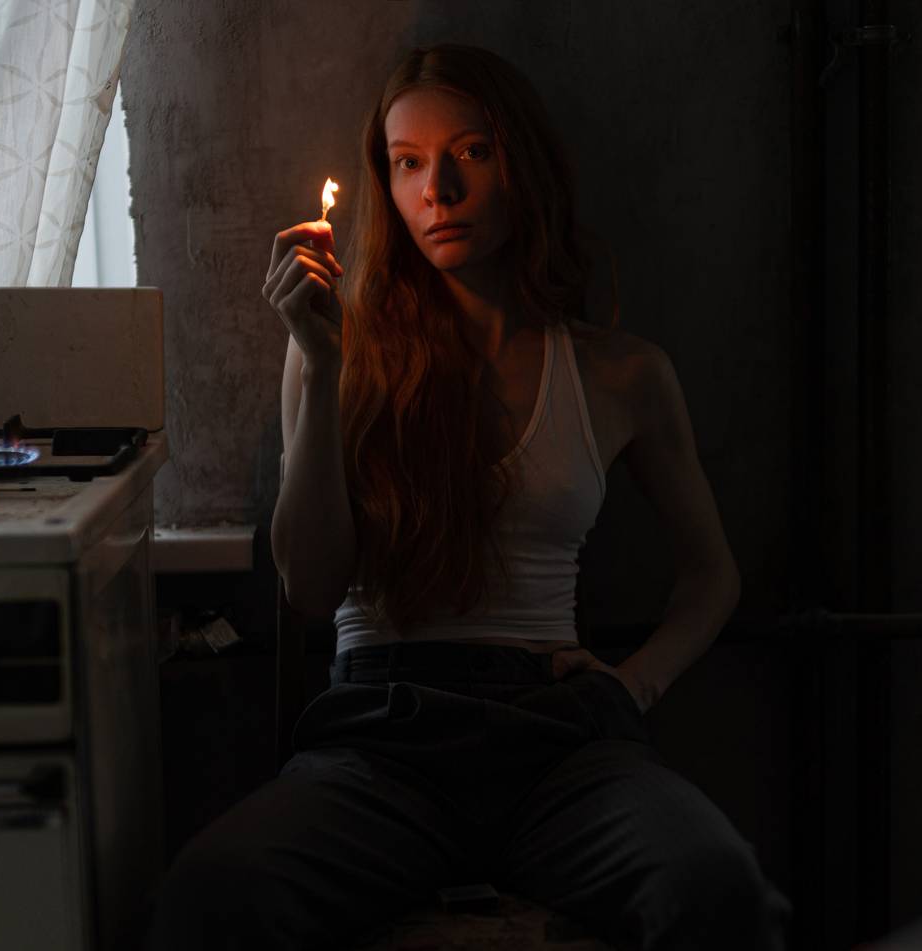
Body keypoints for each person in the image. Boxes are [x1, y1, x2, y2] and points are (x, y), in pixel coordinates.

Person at [146, 44, 788, 950]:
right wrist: (323, 367)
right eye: (407, 163)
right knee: (212, 895)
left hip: (559, 739)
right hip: (382, 737)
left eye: (470, 153)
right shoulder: (336, 349)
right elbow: (310, 588)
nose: (437, 191)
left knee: (716, 890)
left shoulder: (622, 372)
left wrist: (634, 682)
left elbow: (712, 574)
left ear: (521, 162)